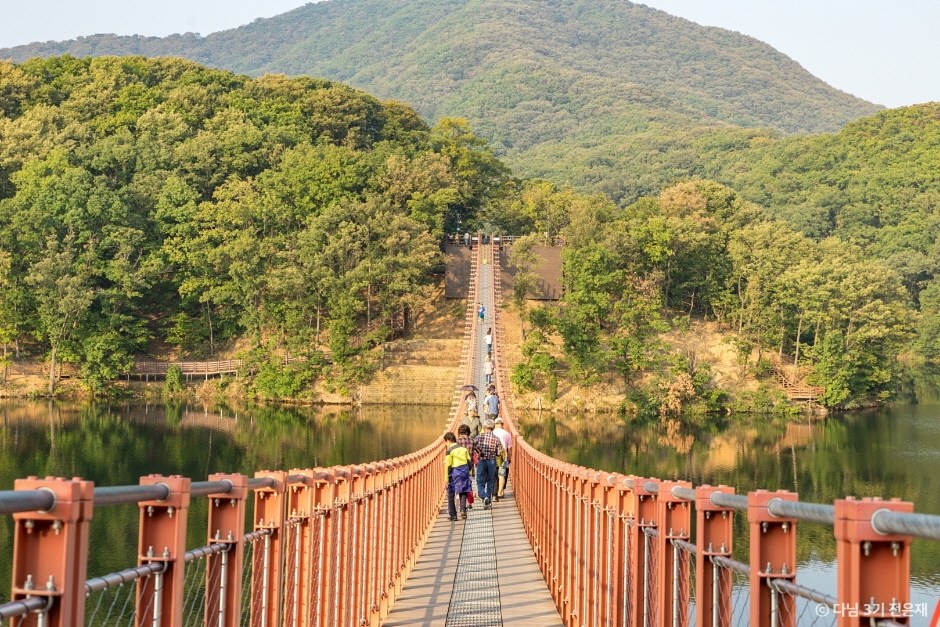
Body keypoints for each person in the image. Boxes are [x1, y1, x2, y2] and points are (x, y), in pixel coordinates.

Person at [473, 419, 505, 509]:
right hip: (491, 461)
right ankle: (488, 500)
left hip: (481, 461)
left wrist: (479, 452)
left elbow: (474, 447)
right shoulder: (496, 439)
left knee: (480, 481)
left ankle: (484, 497)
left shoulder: (479, 437)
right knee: (491, 481)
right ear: (493, 428)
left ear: (484, 427)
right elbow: (499, 453)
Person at [443, 432, 472, 521]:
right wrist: (469, 472)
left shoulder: (449, 451)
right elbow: (469, 462)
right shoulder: (463, 449)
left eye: (446, 442)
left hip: (454, 472)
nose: (446, 444)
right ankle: (463, 509)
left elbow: (448, 465)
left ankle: (453, 515)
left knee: (451, 493)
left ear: (448, 441)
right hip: (464, 471)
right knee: (463, 491)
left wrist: (446, 478)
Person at [492, 418, 513, 500]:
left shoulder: (492, 433)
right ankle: (500, 492)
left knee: (494, 476)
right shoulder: (507, 434)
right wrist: (509, 458)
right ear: (503, 424)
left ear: (495, 424)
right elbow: (509, 448)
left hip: (493, 457)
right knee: (502, 475)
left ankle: (494, 493)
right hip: (503, 458)